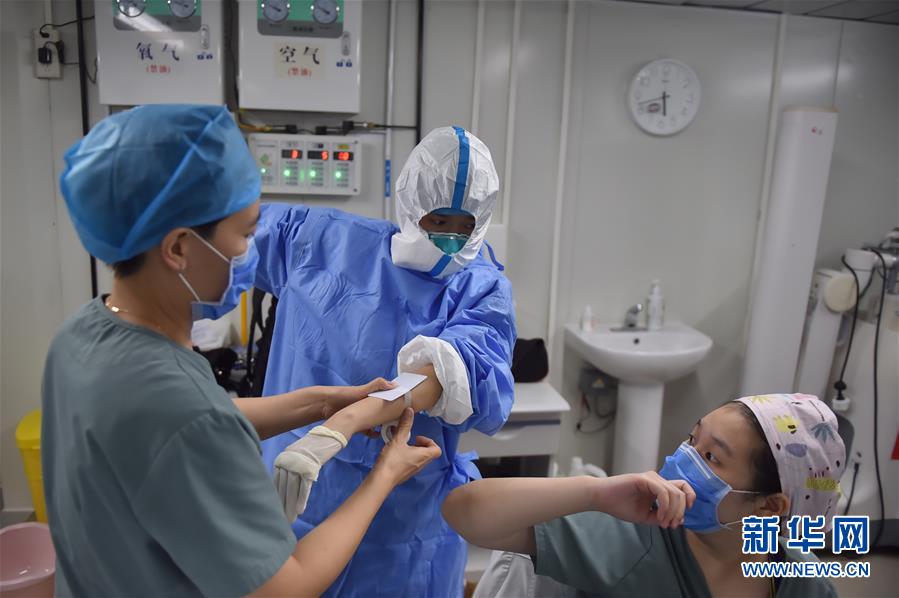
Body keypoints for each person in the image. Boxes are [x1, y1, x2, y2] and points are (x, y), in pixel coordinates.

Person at [42, 104, 441, 597]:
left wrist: (320, 403)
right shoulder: (180, 411)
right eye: (247, 234)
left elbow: (184, 424)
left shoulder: (82, 336)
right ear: (178, 248)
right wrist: (384, 476)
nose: (251, 253)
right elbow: (285, 586)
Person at [253, 125, 517, 596]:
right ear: (413, 205)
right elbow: (219, 247)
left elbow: (452, 371)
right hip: (298, 491)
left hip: (407, 526)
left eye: (466, 226)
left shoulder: (482, 289)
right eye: (440, 221)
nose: (451, 240)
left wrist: (343, 424)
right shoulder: (316, 241)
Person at [443, 393, 845, 598]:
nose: (682, 458)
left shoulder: (803, 582)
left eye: (711, 457)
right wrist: (594, 493)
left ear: (770, 507)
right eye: (692, 438)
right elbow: (463, 512)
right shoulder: (631, 536)